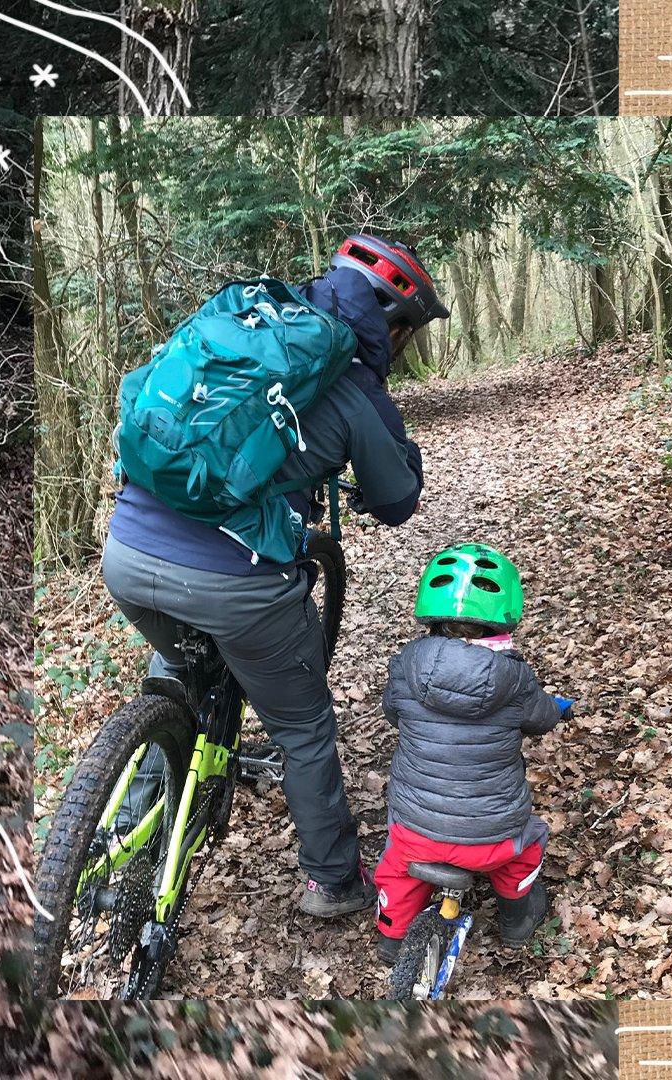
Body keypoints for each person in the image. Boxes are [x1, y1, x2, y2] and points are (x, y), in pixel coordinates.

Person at [101, 233, 445, 917]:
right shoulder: (352, 389)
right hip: (236, 582)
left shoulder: (241, 325)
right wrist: (396, 451)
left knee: (176, 670)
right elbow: (399, 501)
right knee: (303, 727)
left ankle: (114, 840)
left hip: (127, 551)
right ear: (391, 324)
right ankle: (332, 880)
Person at [372, 543, 569, 961]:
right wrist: (558, 708)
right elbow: (542, 719)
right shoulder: (515, 679)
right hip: (492, 838)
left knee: (397, 868)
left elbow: (393, 712)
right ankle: (517, 920)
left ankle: (392, 938)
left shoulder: (406, 665)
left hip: (414, 830)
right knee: (526, 848)